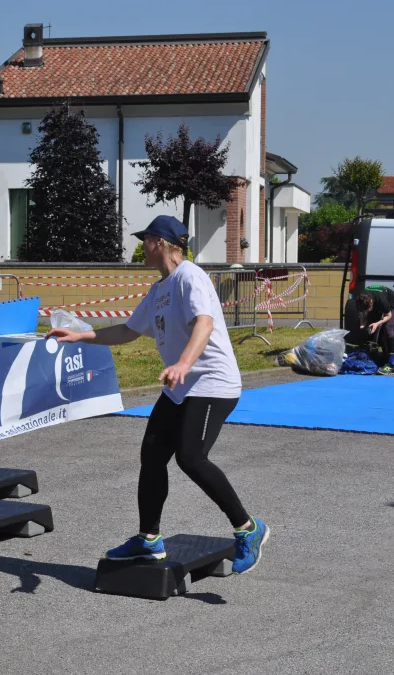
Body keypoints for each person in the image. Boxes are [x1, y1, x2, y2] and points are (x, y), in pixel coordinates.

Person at [47, 215, 269, 575]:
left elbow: (205, 322)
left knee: (191, 457)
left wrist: (182, 363)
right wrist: (79, 336)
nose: (142, 246)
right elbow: (128, 331)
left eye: (146, 239)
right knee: (152, 455)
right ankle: (148, 540)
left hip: (212, 382)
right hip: (182, 386)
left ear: (161, 243)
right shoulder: (158, 290)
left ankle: (248, 528)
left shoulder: (189, 277)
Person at [352, 286, 394, 375]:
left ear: (371, 302)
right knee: (369, 328)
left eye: (369, 308)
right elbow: (362, 313)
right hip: (373, 301)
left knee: (388, 329)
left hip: (390, 301)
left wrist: (377, 323)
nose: (369, 310)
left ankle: (391, 365)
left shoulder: (381, 300)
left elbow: (388, 315)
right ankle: (376, 358)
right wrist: (362, 325)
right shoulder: (360, 300)